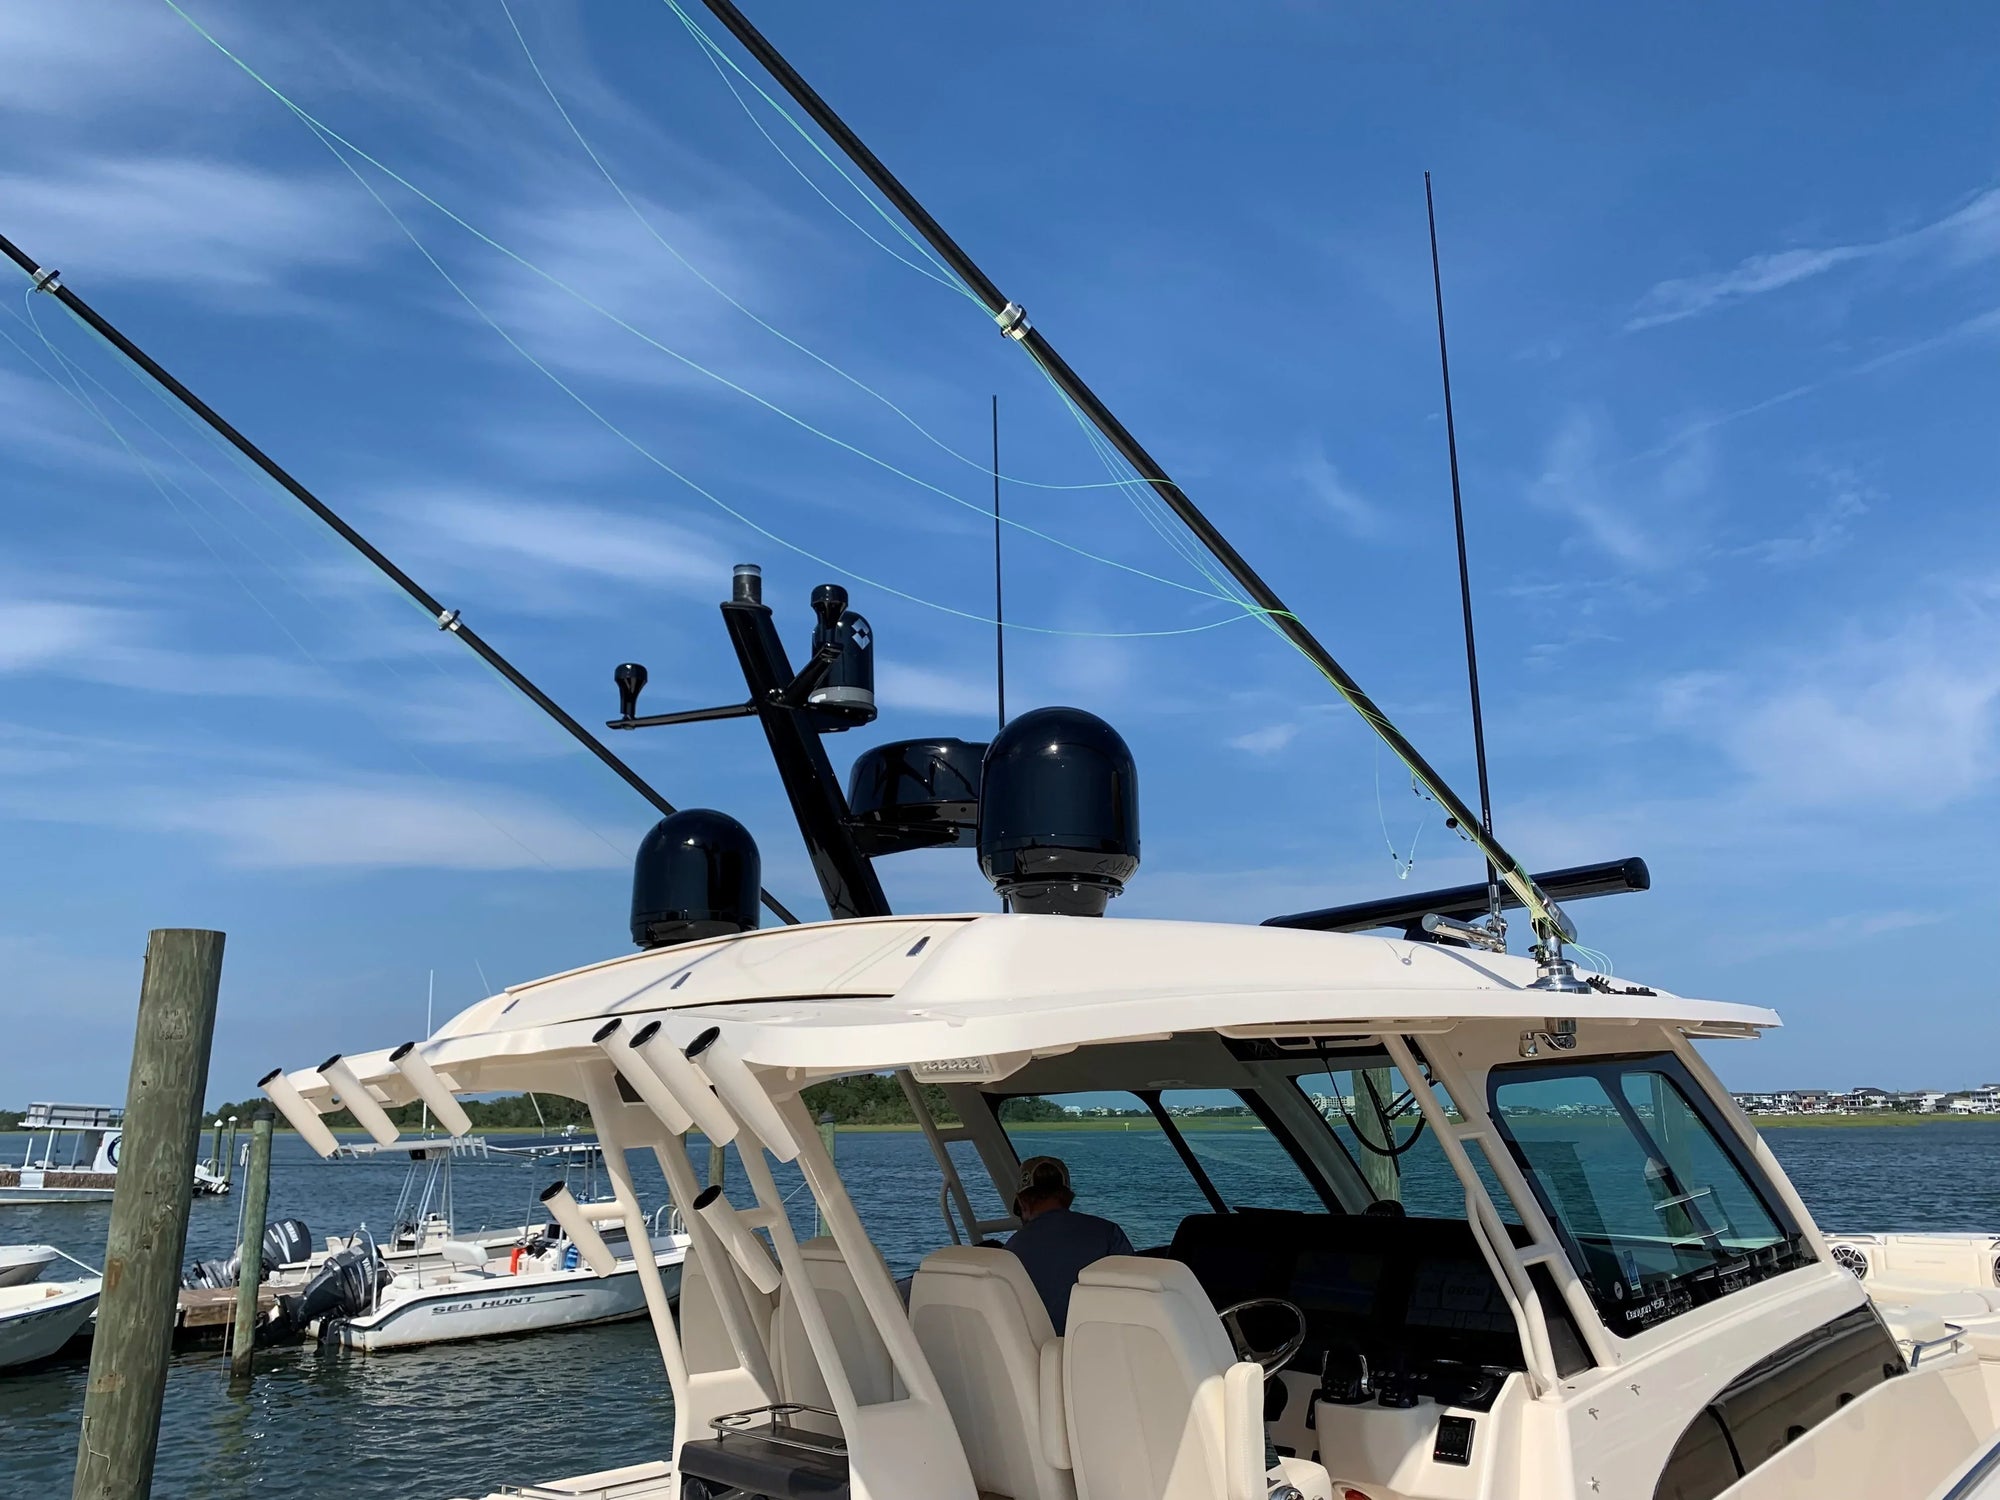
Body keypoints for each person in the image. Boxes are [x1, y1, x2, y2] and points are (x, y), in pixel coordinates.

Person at [1003, 1155, 1133, 1333]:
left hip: (1041, 1354)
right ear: (1067, 1198)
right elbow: (1134, 1296)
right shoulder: (1108, 1233)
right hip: (1104, 1345)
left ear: (1022, 1202)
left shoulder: (1010, 1252)